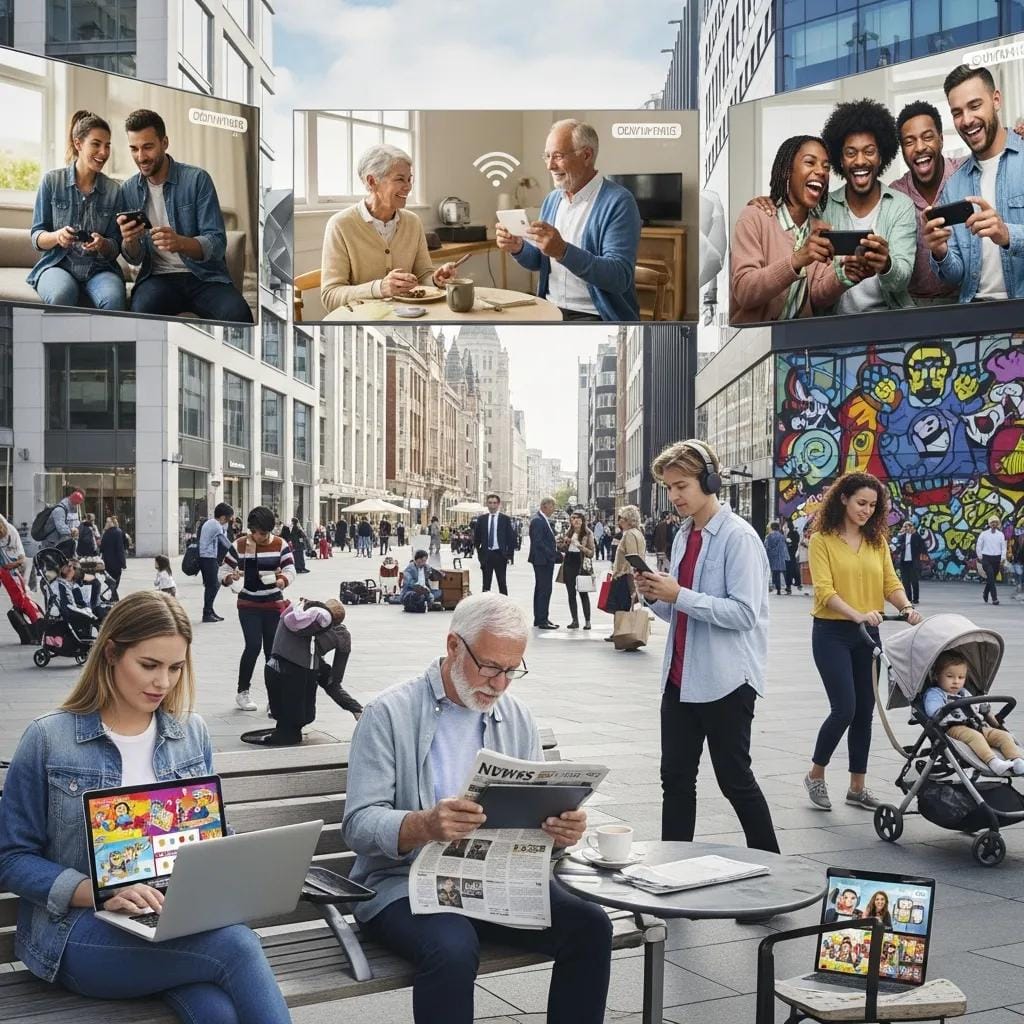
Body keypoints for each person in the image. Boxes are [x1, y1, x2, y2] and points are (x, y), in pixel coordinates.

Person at [0, 591, 293, 1022]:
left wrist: (237, 864)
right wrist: (100, 892)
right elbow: (11, 859)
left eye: (176, 668)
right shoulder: (49, 739)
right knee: (237, 945)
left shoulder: (190, 733)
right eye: (149, 665)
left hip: (176, 922)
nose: (164, 682)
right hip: (77, 934)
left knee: (218, 1013)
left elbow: (207, 833)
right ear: (112, 653)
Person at [341, 593, 613, 1024]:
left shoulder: (516, 717)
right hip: (405, 883)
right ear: (453, 646)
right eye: (489, 666)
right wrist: (423, 824)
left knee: (591, 926)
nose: (499, 684)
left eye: (511, 670)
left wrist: (558, 831)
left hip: (498, 879)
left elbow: (532, 825)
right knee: (451, 947)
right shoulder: (388, 714)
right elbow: (358, 824)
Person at [634, 440, 779, 853]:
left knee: (736, 781)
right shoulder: (684, 535)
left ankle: (773, 872)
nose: (675, 496)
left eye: (682, 486)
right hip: (679, 680)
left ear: (710, 480)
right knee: (675, 782)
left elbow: (744, 614)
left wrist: (678, 594)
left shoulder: (739, 538)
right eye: (669, 488)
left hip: (726, 680)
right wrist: (655, 595)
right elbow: (681, 612)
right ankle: (671, 870)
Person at [804, 472, 921, 813]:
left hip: (869, 634)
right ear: (843, 499)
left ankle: (857, 787)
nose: (867, 510)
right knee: (844, 708)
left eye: (873, 505)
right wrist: (856, 613)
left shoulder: (876, 541)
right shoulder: (821, 540)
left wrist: (906, 607)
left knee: (864, 713)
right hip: (832, 632)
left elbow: (890, 582)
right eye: (861, 503)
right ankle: (815, 774)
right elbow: (824, 592)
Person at [496, 119, 641, 321]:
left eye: (557, 156)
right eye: (547, 156)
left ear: (586, 155)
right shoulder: (552, 200)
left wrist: (563, 251)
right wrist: (518, 247)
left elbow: (619, 277)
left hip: (595, 315)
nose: (549, 165)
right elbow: (540, 260)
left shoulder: (619, 202)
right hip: (549, 308)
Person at [117, 109, 252, 323]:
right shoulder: (128, 190)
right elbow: (134, 257)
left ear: (164, 142)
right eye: (134, 149)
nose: (141, 157)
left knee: (240, 315)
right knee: (139, 316)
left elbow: (217, 243)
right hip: (157, 278)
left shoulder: (197, 179)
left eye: (148, 147)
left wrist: (180, 243)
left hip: (204, 276)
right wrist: (129, 240)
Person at [925, 65, 1024, 303]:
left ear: (996, 100)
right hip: (974, 316)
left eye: (975, 106)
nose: (967, 120)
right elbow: (955, 275)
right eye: (957, 112)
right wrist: (940, 252)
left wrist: (1007, 233)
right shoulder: (954, 185)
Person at [319, 144, 459, 312]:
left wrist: (436, 279)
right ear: (372, 182)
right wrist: (379, 288)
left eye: (409, 179)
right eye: (400, 179)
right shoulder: (340, 225)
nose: (408, 186)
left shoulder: (413, 222)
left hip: (407, 318)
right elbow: (330, 296)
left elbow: (423, 275)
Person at [731, 135, 849, 322]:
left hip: (798, 343)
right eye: (810, 162)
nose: (821, 171)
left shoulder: (820, 228)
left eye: (826, 167)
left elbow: (818, 297)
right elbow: (744, 291)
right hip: (756, 344)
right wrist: (797, 260)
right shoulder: (754, 217)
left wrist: (846, 274)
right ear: (787, 171)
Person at [820, 99, 916, 313]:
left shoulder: (901, 206)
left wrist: (886, 264)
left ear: (881, 156)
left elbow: (901, 280)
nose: (860, 161)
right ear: (840, 160)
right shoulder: (823, 207)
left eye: (869, 151)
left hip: (891, 326)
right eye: (851, 153)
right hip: (835, 329)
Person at [27, 111, 127, 311]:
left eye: (107, 145)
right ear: (78, 144)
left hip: (100, 269)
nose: (103, 152)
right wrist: (57, 237)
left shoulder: (114, 190)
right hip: (57, 265)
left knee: (114, 299)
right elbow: (36, 237)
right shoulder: (51, 182)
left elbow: (116, 246)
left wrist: (103, 244)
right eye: (96, 144)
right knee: (61, 294)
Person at [255, 597, 363, 746]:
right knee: (324, 687)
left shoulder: (309, 621)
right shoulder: (343, 635)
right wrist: (334, 680)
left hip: (302, 663)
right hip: (311, 663)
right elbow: (337, 672)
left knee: (291, 691)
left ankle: (285, 724)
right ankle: (357, 710)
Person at [219, 505, 296, 712]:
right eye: (255, 532)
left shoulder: (280, 544)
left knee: (272, 652)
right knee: (253, 645)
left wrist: (282, 581)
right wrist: (229, 578)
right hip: (248, 604)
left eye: (263, 533)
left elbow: (290, 569)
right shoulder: (240, 544)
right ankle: (242, 692)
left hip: (273, 603)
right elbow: (223, 570)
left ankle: (274, 698)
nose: (258, 537)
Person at [889, 101, 965, 305]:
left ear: (941, 139)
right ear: (902, 150)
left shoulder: (965, 172)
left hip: (964, 298)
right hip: (914, 305)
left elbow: (993, 152)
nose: (920, 147)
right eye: (909, 141)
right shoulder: (895, 194)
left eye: (928, 137)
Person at [923, 649, 1024, 775]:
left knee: (1004, 736)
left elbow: (980, 706)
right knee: (975, 737)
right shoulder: (935, 694)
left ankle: (1017, 760)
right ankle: (993, 762)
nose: (956, 681)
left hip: (979, 725)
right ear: (937, 676)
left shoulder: (965, 692)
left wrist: (990, 716)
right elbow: (933, 711)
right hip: (954, 728)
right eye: (950, 676)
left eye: (961, 677)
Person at [606, 505, 647, 645]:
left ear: (629, 520)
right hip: (628, 575)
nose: (619, 522)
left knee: (620, 607)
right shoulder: (638, 533)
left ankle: (621, 632)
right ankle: (620, 632)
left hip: (624, 575)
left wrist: (631, 584)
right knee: (624, 607)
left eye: (622, 519)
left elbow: (631, 558)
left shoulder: (629, 534)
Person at [0, 513, 42, 631]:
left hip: (10, 570)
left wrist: (11, 565)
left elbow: (21, 558)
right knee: (20, 599)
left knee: (21, 599)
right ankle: (36, 623)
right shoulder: (8, 531)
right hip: (8, 570)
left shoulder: (11, 533)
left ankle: (36, 624)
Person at [555, 511, 595, 630]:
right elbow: (563, 549)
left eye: (578, 519)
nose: (576, 521)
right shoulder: (568, 532)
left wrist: (579, 546)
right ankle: (575, 620)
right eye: (573, 519)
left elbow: (591, 553)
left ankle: (587, 621)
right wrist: (561, 543)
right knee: (571, 593)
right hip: (569, 563)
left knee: (583, 593)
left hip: (581, 564)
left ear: (583, 521)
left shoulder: (588, 533)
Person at [472, 493, 515, 596]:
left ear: (498, 504)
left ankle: (505, 606)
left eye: (495, 503)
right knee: (486, 584)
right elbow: (477, 538)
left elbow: (510, 538)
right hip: (487, 555)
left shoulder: (505, 519)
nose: (492, 505)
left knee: (502, 583)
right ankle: (485, 607)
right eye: (490, 503)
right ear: (487, 504)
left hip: (500, 555)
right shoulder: (482, 519)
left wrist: (509, 555)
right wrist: (480, 554)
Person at [528, 497, 561, 629]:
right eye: (553, 506)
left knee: (542, 588)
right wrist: (553, 554)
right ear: (545, 506)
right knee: (544, 589)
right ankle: (542, 620)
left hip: (544, 559)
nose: (554, 509)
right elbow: (538, 542)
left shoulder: (542, 520)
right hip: (542, 560)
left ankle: (541, 617)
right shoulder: (538, 520)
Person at [198, 502, 233, 623]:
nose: (228, 521)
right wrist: (237, 553)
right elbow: (226, 543)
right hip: (208, 558)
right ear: (223, 517)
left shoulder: (210, 522)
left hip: (206, 557)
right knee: (213, 585)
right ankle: (207, 613)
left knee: (212, 585)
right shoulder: (216, 525)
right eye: (228, 518)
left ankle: (210, 611)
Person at [38, 487, 85, 557]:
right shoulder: (60, 510)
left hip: (59, 544)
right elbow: (61, 528)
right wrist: (72, 531)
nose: (76, 506)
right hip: (51, 545)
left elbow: (73, 523)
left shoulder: (69, 510)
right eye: (76, 504)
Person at [976, 515, 1007, 606]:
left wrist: (1003, 558)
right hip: (986, 558)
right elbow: (979, 545)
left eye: (995, 522)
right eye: (992, 522)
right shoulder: (984, 534)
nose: (994, 524)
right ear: (989, 524)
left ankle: (985, 593)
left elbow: (1003, 547)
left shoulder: (1000, 534)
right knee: (990, 575)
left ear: (997, 524)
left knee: (992, 578)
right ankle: (995, 598)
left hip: (996, 559)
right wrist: (980, 556)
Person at [895, 521, 926, 604]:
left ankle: (916, 598)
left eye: (908, 526)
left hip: (913, 561)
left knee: (914, 580)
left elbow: (922, 547)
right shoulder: (902, 536)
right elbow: (898, 547)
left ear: (912, 527)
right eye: (905, 526)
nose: (906, 528)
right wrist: (901, 542)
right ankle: (908, 599)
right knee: (905, 581)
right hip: (904, 562)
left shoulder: (916, 536)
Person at [99, 516, 127, 597]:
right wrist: (123, 563)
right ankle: (113, 598)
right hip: (115, 562)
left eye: (108, 522)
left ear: (112, 523)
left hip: (108, 562)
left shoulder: (107, 533)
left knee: (111, 582)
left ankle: (112, 598)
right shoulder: (117, 532)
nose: (106, 523)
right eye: (106, 522)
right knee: (114, 583)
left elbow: (102, 548)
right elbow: (121, 548)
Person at [764, 522, 789, 595]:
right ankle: (779, 589)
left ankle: (773, 586)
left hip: (771, 556)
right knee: (780, 572)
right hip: (780, 556)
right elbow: (784, 548)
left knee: (773, 572)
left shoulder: (769, 536)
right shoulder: (782, 536)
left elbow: (766, 546)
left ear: (771, 528)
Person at [782, 518, 803, 594]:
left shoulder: (793, 533)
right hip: (789, 553)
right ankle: (790, 585)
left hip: (791, 553)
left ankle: (793, 584)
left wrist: (789, 543)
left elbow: (795, 543)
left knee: (791, 569)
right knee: (790, 569)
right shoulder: (786, 532)